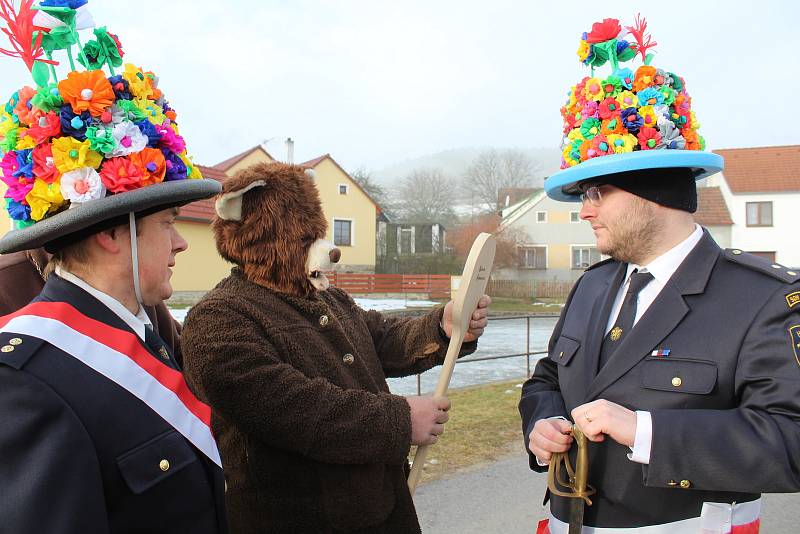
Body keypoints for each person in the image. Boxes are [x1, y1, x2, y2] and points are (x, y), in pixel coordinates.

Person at [519, 15, 800, 533]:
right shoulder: (593, 284)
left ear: (655, 194)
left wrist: (645, 432)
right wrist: (541, 421)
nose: (585, 211)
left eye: (597, 193)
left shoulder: (762, 299)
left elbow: (790, 439)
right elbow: (546, 380)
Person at [0, 2, 227, 531]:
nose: (181, 244)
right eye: (168, 223)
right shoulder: (27, 383)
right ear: (110, 233)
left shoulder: (142, 330)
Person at [180, 162, 491, 533]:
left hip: (381, 510)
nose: (325, 249)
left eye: (317, 235)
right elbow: (292, 408)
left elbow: (381, 338)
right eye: (302, 240)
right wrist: (400, 421)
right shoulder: (218, 318)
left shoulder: (329, 299)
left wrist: (442, 326)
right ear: (259, 243)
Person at [0, 247, 182, 359]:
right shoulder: (7, 282)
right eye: (165, 223)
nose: (180, 244)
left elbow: (178, 357)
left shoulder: (132, 283)